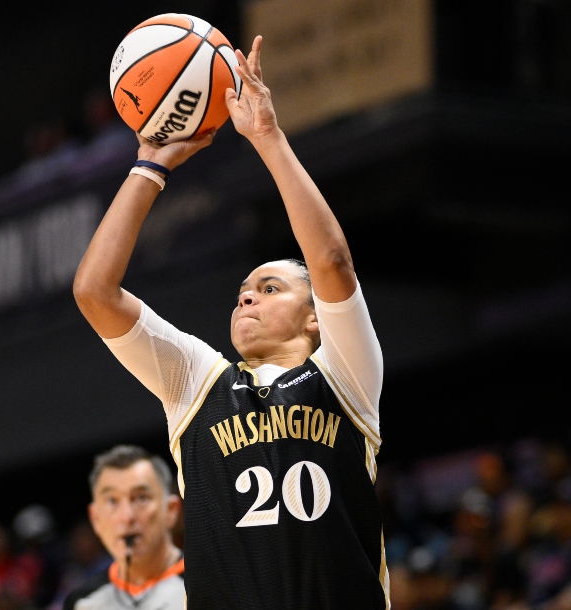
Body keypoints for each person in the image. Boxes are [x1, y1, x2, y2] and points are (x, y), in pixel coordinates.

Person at [74, 35, 387, 610]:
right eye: (242, 294)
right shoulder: (197, 384)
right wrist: (150, 165)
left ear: (315, 317)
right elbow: (95, 293)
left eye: (270, 289)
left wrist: (267, 138)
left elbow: (332, 262)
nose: (247, 300)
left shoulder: (346, 375)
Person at [63, 446, 184, 610]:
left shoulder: (211, 582)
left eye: (141, 498)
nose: (127, 516)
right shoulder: (82, 603)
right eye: (112, 501)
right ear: (95, 519)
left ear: (171, 510)